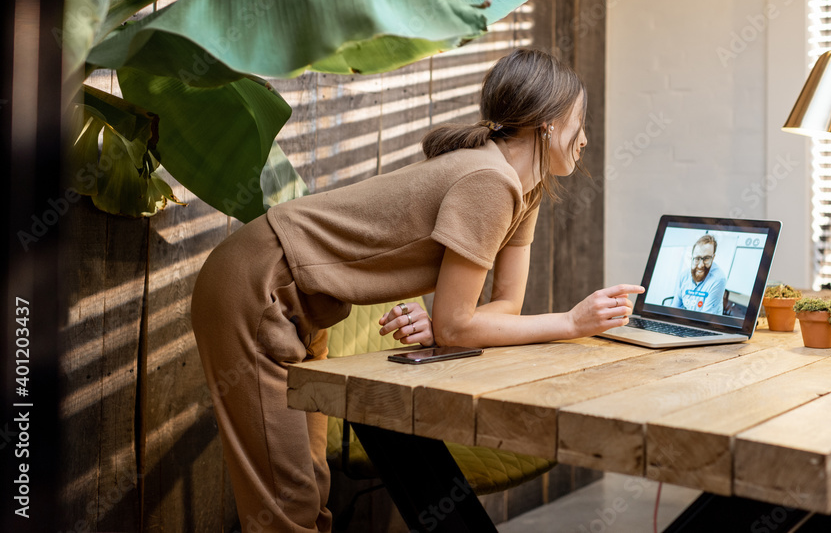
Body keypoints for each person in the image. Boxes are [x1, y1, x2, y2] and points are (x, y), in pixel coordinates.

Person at [189, 48, 644, 533]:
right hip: (259, 286)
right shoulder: (488, 182)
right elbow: (458, 325)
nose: (587, 138)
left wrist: (449, 322)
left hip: (304, 303)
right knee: (288, 506)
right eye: (581, 121)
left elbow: (502, 306)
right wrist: (570, 323)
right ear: (550, 123)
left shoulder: (522, 189)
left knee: (310, 484)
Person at [670, 234, 727, 315]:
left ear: (713, 257)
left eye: (706, 258)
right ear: (692, 256)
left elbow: (706, 318)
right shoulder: (684, 276)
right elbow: (674, 308)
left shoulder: (719, 279)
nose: (700, 265)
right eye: (697, 258)